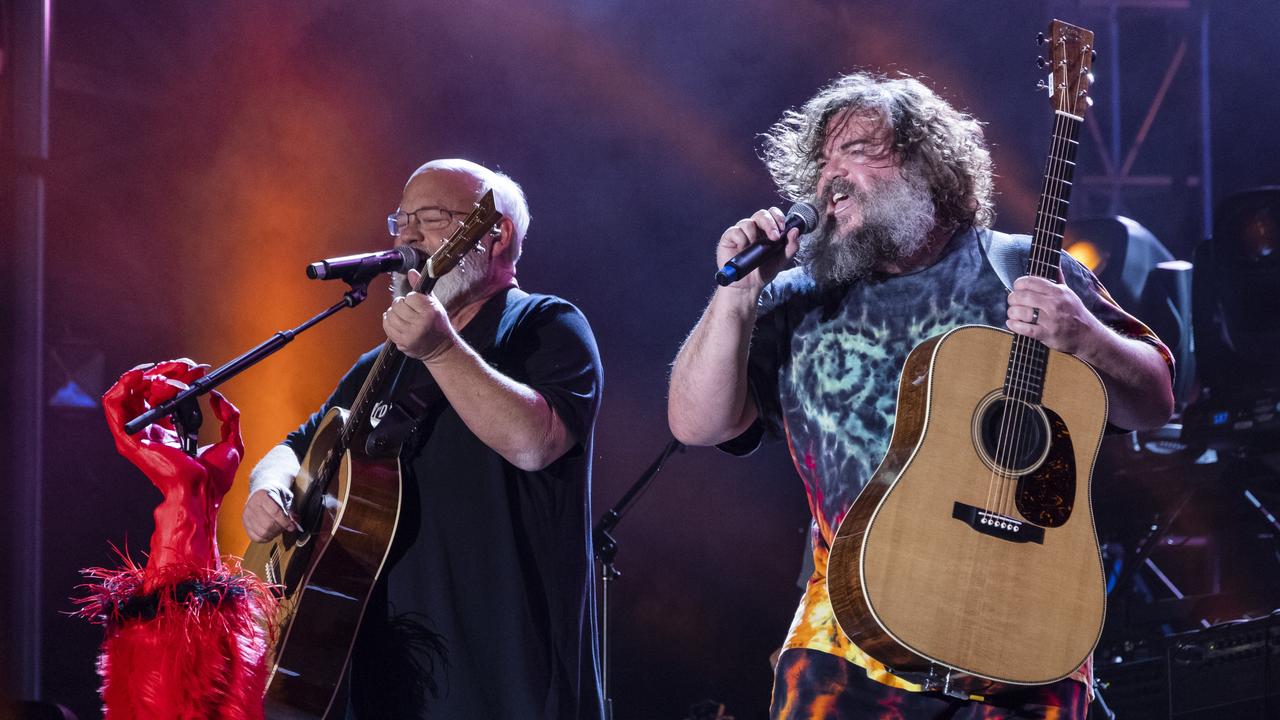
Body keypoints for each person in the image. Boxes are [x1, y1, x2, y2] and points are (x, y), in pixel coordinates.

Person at [667, 72, 1175, 719]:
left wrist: (1087, 338)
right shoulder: (794, 300)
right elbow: (694, 424)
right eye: (820, 161)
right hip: (849, 646)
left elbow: (1156, 398)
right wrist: (734, 296)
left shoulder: (1024, 266)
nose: (829, 176)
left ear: (925, 165)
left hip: (1029, 640)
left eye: (854, 150)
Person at [243, 159, 605, 719]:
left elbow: (536, 443)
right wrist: (269, 488)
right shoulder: (379, 365)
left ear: (494, 232)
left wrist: (440, 350)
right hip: (384, 680)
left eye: (430, 217)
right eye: (400, 219)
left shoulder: (545, 325)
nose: (406, 234)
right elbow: (296, 445)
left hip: (504, 677)